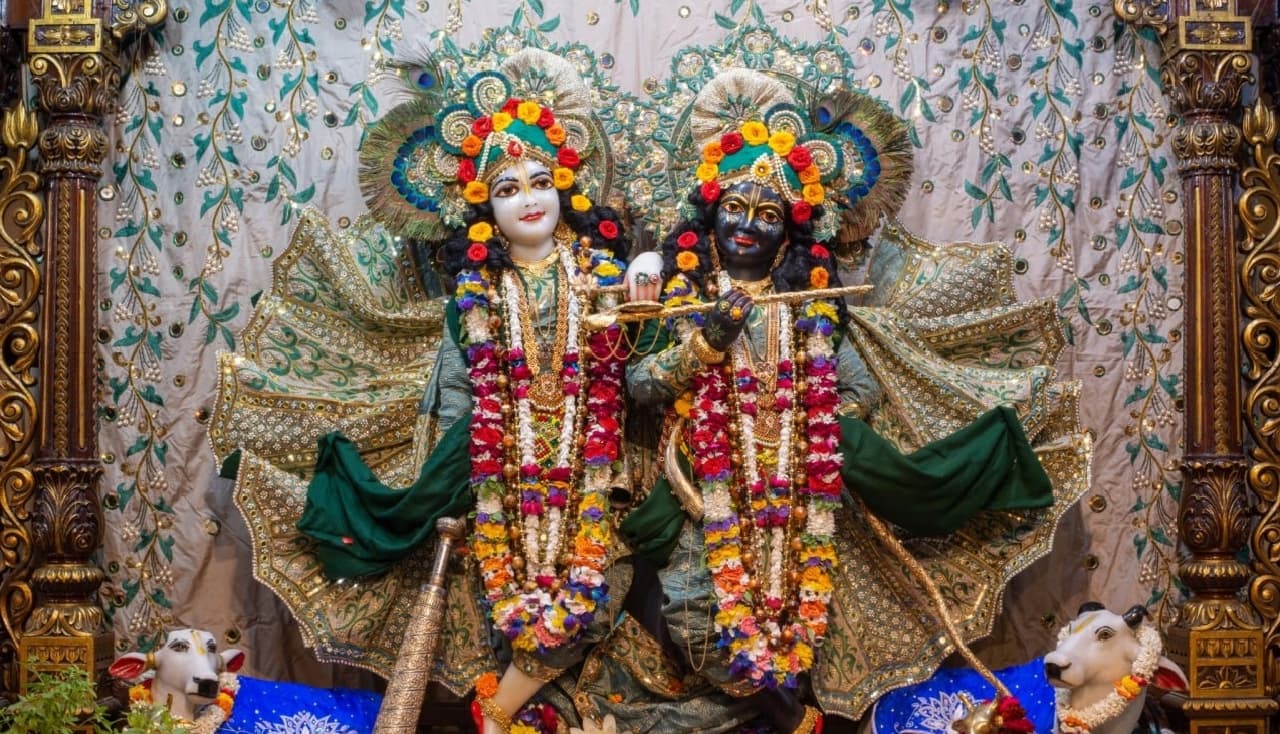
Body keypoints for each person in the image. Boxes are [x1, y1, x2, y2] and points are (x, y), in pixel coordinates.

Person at [573, 68, 1091, 734]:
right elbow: (641, 384)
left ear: (789, 233)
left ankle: (778, 717)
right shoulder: (682, 296)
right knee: (695, 618)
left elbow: (859, 386)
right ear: (709, 212)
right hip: (701, 490)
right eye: (735, 207)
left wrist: (813, 429)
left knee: (788, 628)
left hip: (792, 496)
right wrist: (706, 342)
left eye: (768, 215)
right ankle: (791, 721)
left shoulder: (808, 308)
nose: (747, 225)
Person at [215, 48, 634, 734]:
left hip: (596, 467)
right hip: (503, 477)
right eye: (507, 189)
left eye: (540, 181)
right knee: (509, 615)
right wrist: (442, 475)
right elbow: (458, 396)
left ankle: (497, 713)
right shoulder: (473, 302)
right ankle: (514, 715)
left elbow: (633, 367)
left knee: (598, 596)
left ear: (566, 188)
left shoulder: (604, 278)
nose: (528, 199)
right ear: (484, 208)